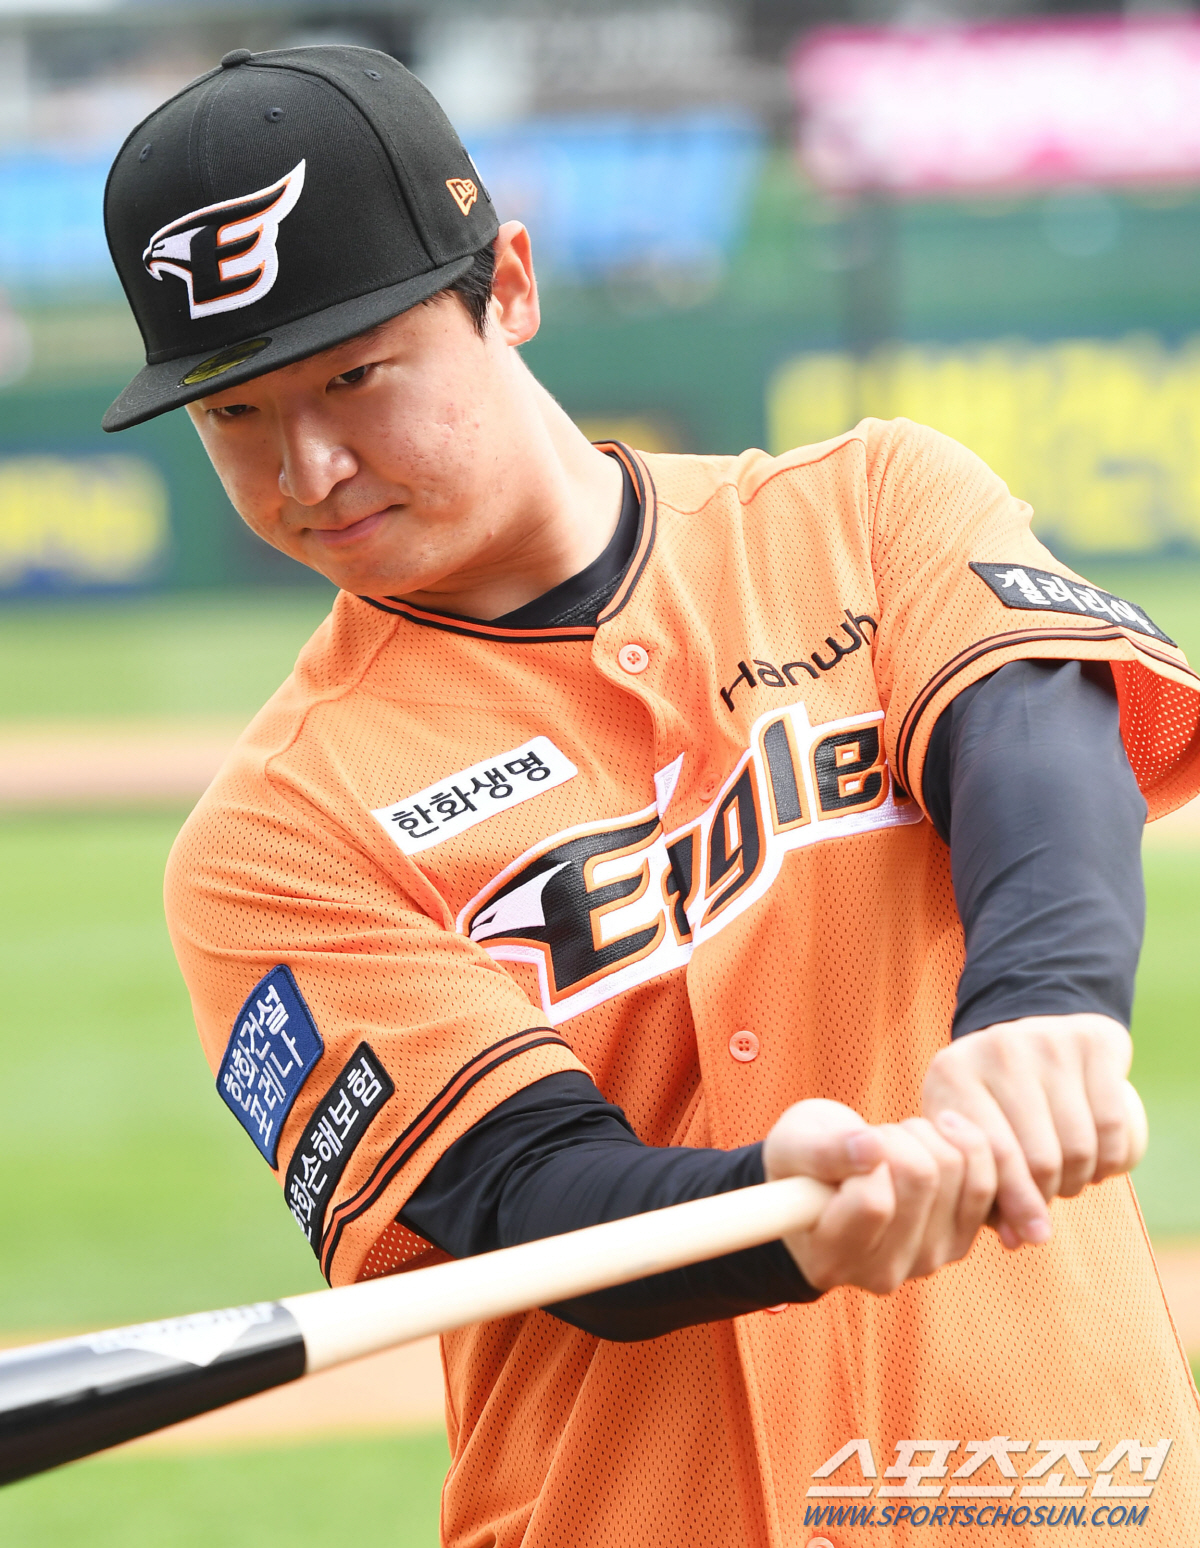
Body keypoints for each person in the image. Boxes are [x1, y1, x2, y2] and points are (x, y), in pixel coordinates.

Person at [103, 45, 1200, 1546]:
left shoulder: (872, 507)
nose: (309, 467)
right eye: (233, 412)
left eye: (355, 376)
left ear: (510, 287)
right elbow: (527, 1195)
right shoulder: (273, 843)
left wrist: (1042, 1006)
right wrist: (783, 1206)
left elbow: (1034, 740)